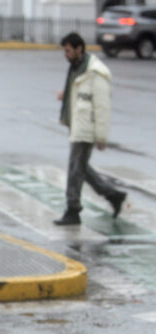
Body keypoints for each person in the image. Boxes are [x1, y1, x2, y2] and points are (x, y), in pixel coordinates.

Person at [53, 32, 126, 226]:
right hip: (77, 125)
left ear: (79, 49)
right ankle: (113, 195)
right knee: (81, 168)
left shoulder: (95, 72)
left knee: (75, 169)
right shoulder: (77, 67)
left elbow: (102, 106)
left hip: (86, 128)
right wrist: (66, 95)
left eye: (68, 51)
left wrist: (101, 136)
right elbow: (79, 92)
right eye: (65, 51)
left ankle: (73, 210)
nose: (66, 55)